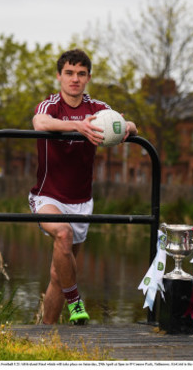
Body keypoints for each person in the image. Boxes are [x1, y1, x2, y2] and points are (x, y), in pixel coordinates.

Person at [28, 49, 137, 325]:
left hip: (82, 201)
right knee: (62, 234)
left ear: (88, 77)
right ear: (59, 76)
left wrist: (127, 129)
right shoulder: (50, 105)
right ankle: (76, 302)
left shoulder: (98, 108)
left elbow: (127, 123)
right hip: (47, 196)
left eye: (80, 74)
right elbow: (39, 123)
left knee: (58, 273)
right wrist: (77, 126)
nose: (74, 79)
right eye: (69, 73)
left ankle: (46, 333)